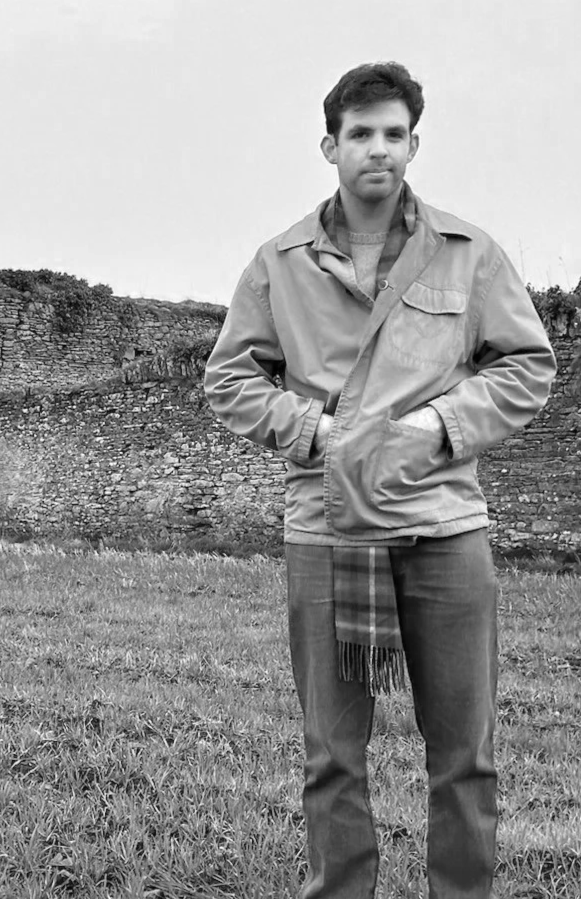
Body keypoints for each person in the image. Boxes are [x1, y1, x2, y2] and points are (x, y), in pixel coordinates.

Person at [203, 61, 556, 899]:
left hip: (442, 525)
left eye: (393, 134)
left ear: (413, 145)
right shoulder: (277, 262)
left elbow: (526, 365)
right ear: (329, 145)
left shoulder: (468, 254)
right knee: (331, 757)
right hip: (325, 528)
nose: (378, 149)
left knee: (465, 756)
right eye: (360, 133)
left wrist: (438, 424)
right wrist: (316, 431)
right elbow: (228, 378)